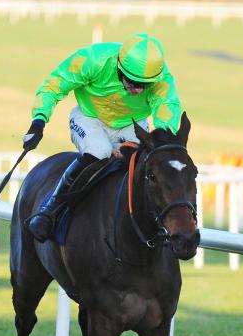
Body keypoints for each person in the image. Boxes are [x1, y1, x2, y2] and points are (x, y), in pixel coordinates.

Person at [22, 32, 183, 243]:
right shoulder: (94, 59)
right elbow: (54, 85)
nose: (137, 89)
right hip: (90, 118)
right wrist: (39, 121)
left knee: (147, 165)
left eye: (144, 85)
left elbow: (168, 110)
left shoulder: (162, 79)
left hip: (131, 124)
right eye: (133, 81)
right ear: (119, 67)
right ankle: (51, 209)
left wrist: (161, 141)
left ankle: (158, 226)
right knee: (100, 151)